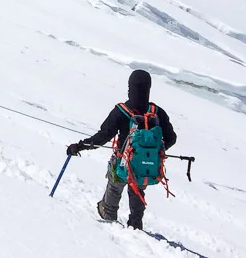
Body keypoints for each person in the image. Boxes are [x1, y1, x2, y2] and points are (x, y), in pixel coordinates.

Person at [66, 69, 177, 230]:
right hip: (145, 165)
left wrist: (80, 146)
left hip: (122, 163)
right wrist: (153, 152)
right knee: (137, 189)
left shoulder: (122, 111)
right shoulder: (157, 113)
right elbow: (171, 138)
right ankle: (135, 223)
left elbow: (102, 137)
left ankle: (109, 217)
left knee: (115, 185)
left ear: (130, 87)